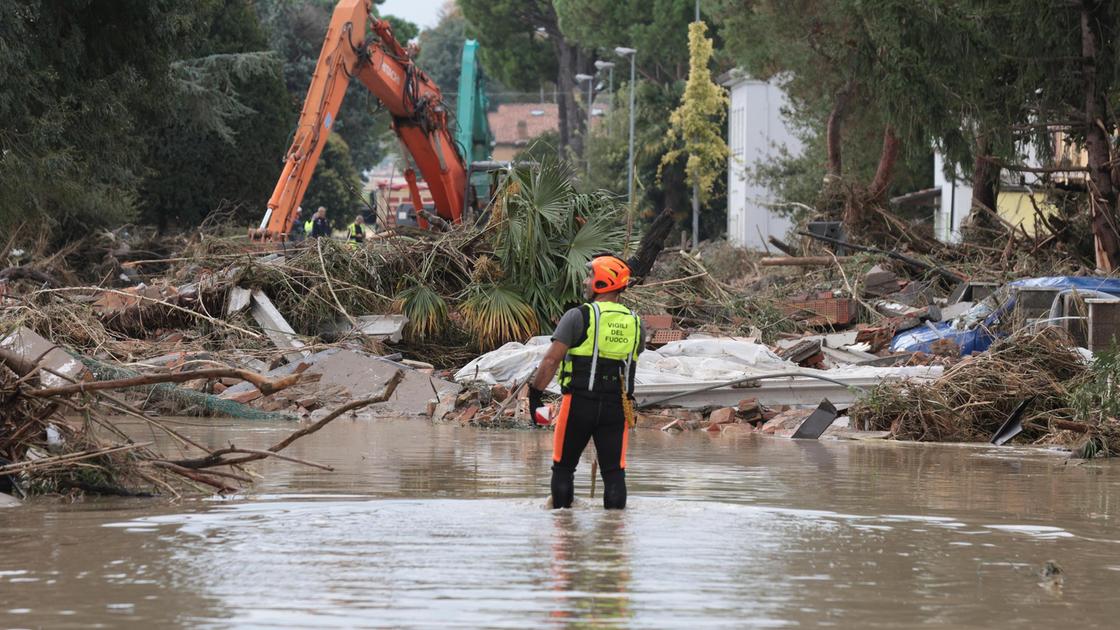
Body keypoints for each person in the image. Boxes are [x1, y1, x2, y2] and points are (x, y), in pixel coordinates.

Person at [528, 255, 644, 510]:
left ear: (603, 282)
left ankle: (562, 532)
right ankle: (614, 537)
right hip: (616, 408)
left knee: (563, 467)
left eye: (590, 276)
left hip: (578, 404)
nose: (585, 280)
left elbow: (550, 362)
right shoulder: (636, 323)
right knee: (614, 473)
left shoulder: (577, 316)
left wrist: (535, 394)